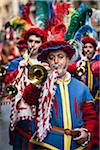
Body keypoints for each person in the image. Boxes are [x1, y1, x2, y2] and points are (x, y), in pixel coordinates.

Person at [23, 40, 96, 150]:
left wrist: (86, 132)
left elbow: (90, 116)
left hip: (75, 146)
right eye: (51, 58)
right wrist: (39, 82)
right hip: (47, 145)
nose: (56, 61)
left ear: (68, 60)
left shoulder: (82, 88)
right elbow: (28, 98)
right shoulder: (42, 85)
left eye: (61, 57)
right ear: (47, 61)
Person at [3, 27, 47, 150]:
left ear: (42, 44)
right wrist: (18, 70)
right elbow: (8, 83)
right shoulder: (16, 63)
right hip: (22, 114)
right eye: (30, 41)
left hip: (41, 113)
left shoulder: (45, 63)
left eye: (37, 42)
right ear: (27, 42)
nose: (33, 44)